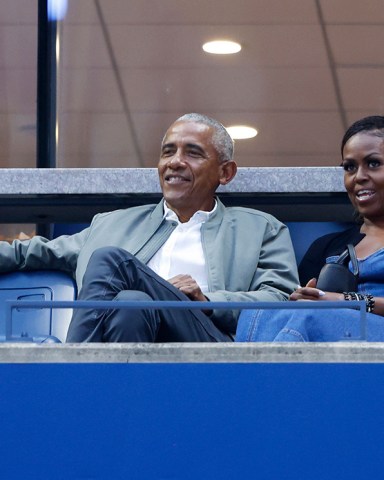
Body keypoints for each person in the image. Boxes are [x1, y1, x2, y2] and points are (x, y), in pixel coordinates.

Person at [0, 113, 298, 342]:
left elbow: (281, 301)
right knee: (132, 302)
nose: (175, 162)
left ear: (225, 172)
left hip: (210, 348)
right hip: (126, 342)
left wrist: (208, 301)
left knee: (109, 260)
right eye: (168, 152)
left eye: (192, 153)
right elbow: (31, 253)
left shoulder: (261, 229)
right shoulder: (113, 224)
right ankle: (122, 403)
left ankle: (74, 370)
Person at [236, 115, 384, 342]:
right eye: (349, 167)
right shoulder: (328, 246)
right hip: (333, 343)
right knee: (258, 314)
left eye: (373, 163)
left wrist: (340, 301)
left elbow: (321, 309)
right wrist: (304, 296)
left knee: (312, 316)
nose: (359, 177)